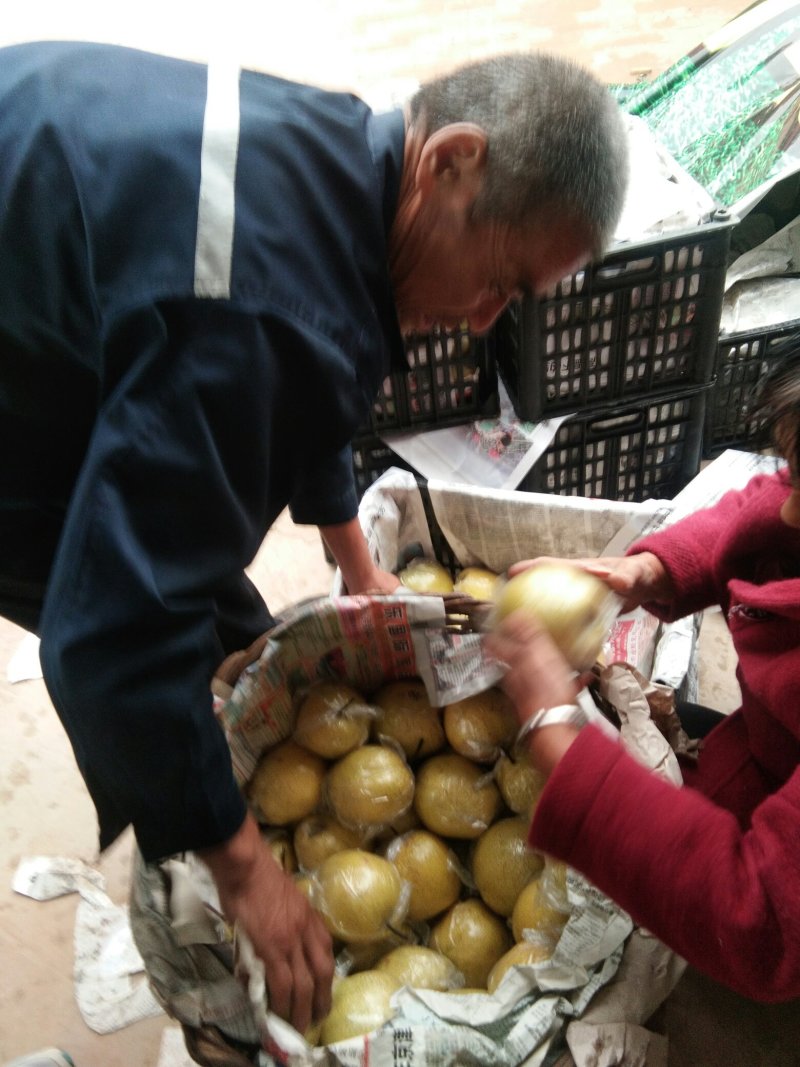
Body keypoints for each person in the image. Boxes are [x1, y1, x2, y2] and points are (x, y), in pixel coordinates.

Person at [0, 41, 628, 1034]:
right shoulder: (262, 312)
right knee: (132, 622)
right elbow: (107, 636)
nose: (479, 320)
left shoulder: (339, 157)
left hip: (50, 237)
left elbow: (306, 368)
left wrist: (354, 557)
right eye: (498, 276)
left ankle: (202, 767)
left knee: (213, 629)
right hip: (22, 350)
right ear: (450, 160)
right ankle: (202, 813)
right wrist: (249, 869)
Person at [486, 346, 800, 1004]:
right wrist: (650, 570)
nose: (790, 510)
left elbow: (764, 916)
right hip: (769, 752)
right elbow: (758, 512)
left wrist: (560, 740)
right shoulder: (787, 510)